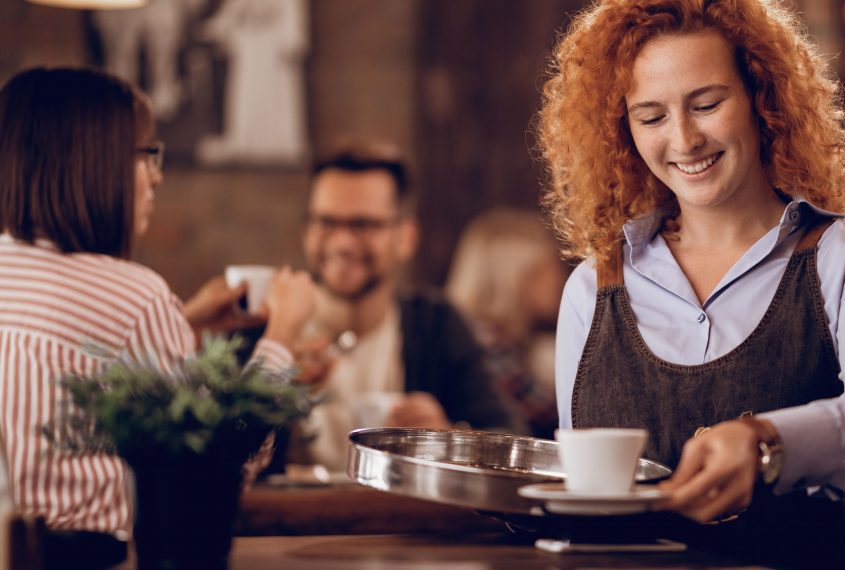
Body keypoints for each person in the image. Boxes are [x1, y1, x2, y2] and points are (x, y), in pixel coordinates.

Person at [538, 0, 845, 565]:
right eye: (651, 117)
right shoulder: (592, 288)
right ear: (623, 129)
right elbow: (579, 479)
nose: (685, 138)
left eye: (707, 103)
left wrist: (767, 438)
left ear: (761, 99)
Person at [0, 67, 315, 538]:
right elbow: (210, 479)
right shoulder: (133, 295)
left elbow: (66, 362)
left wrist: (182, 323)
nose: (158, 177)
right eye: (146, 154)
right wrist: (281, 340)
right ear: (94, 164)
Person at [296, 145, 516, 469]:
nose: (342, 243)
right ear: (306, 231)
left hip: (402, 519)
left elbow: (509, 437)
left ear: (406, 237)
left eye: (363, 225)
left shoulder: (436, 324)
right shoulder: (268, 328)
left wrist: (447, 441)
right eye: (326, 223)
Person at [444, 207, 566, 438]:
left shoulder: (496, 337)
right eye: (543, 269)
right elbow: (553, 415)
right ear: (512, 276)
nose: (557, 280)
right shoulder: (484, 341)